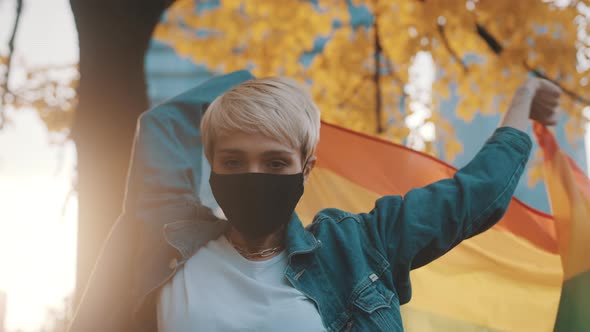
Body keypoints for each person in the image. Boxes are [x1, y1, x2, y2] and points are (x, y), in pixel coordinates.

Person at [68, 74, 561, 332]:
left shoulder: (361, 246)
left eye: (276, 162)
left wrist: (523, 98)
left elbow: (475, 194)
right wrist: (251, 83)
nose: (254, 175)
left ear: (306, 168)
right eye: (234, 161)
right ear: (210, 164)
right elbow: (161, 124)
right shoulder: (167, 238)